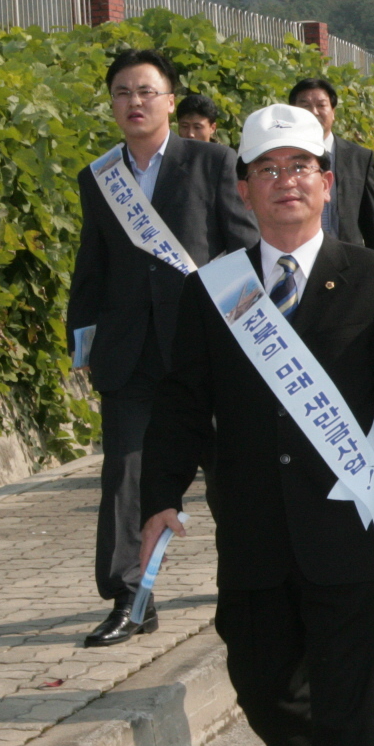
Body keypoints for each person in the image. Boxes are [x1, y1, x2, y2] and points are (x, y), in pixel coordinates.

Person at [137, 103, 374, 746]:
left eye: (300, 168)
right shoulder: (216, 289)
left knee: (345, 695)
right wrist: (159, 497)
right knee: (261, 684)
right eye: (268, 171)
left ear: (327, 182)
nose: (286, 184)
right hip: (256, 532)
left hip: (346, 525)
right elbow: (180, 404)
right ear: (244, 188)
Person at [67, 47, 256, 647]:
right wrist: (86, 341)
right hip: (130, 352)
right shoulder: (99, 179)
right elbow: (90, 266)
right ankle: (131, 597)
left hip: (207, 349)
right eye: (123, 92)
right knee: (125, 475)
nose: (134, 102)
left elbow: (244, 250)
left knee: (229, 472)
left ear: (170, 101)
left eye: (146, 91)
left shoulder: (213, 163)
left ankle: (251, 585)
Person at [289, 77, 374, 254]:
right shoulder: (281, 158)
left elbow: (371, 221)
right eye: (305, 106)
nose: (314, 112)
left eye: (321, 105)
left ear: (333, 111)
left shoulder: (359, 158)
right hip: (296, 257)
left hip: (347, 261)